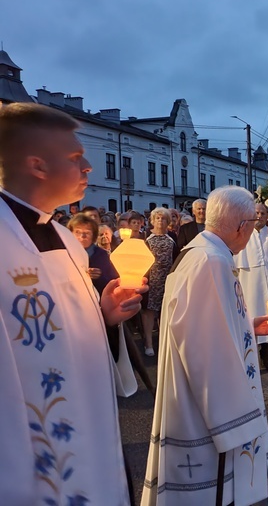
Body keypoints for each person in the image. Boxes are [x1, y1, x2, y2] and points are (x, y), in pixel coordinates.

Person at [0, 103, 145, 504]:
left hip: (92, 426)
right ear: (37, 165)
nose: (88, 168)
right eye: (75, 158)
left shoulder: (65, 239)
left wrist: (105, 315)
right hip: (30, 462)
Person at [143, 186, 268, 506]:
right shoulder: (211, 261)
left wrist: (246, 324)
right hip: (205, 413)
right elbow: (203, 346)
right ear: (242, 226)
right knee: (215, 491)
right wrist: (235, 424)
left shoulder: (200, 251)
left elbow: (202, 323)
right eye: (253, 225)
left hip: (193, 398)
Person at [235, 202, 268, 372]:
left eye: (262, 213)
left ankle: (267, 354)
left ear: (267, 215)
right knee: (254, 314)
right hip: (251, 281)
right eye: (256, 212)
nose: (259, 216)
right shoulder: (243, 232)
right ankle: (252, 356)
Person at [141, 207, 179, 357]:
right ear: (152, 220)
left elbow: (176, 257)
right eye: (157, 218)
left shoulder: (172, 237)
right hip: (152, 279)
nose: (160, 221)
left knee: (166, 311)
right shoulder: (146, 237)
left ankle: (164, 343)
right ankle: (148, 343)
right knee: (149, 311)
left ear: (168, 221)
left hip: (168, 278)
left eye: (163, 218)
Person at [68, 213, 119, 295]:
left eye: (87, 232)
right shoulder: (65, 254)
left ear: (93, 235)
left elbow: (113, 282)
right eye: (78, 232)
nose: (82, 236)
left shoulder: (101, 255)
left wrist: (99, 277)